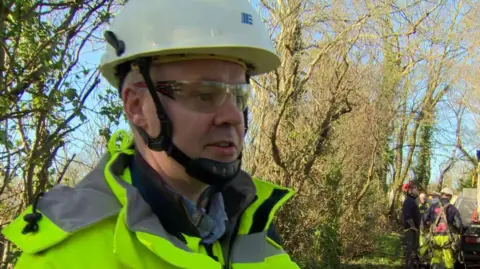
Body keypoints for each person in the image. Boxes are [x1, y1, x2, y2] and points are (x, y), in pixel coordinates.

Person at [1, 0, 300, 268]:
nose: (233, 117)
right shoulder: (62, 259)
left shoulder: (256, 227)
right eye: (204, 94)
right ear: (136, 106)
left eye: (239, 96)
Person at [423, 188, 462, 269]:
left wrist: (428, 226)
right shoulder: (453, 209)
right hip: (447, 239)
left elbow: (424, 219)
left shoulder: (432, 207)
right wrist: (457, 232)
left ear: (441, 195)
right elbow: (459, 225)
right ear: (450, 197)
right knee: (449, 260)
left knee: (436, 258)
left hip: (435, 237)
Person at [402, 180, 421, 269]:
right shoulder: (408, 201)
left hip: (413, 230)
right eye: (416, 189)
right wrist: (413, 227)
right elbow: (407, 215)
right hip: (410, 230)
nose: (417, 191)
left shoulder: (413, 201)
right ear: (410, 190)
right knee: (410, 252)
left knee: (413, 251)